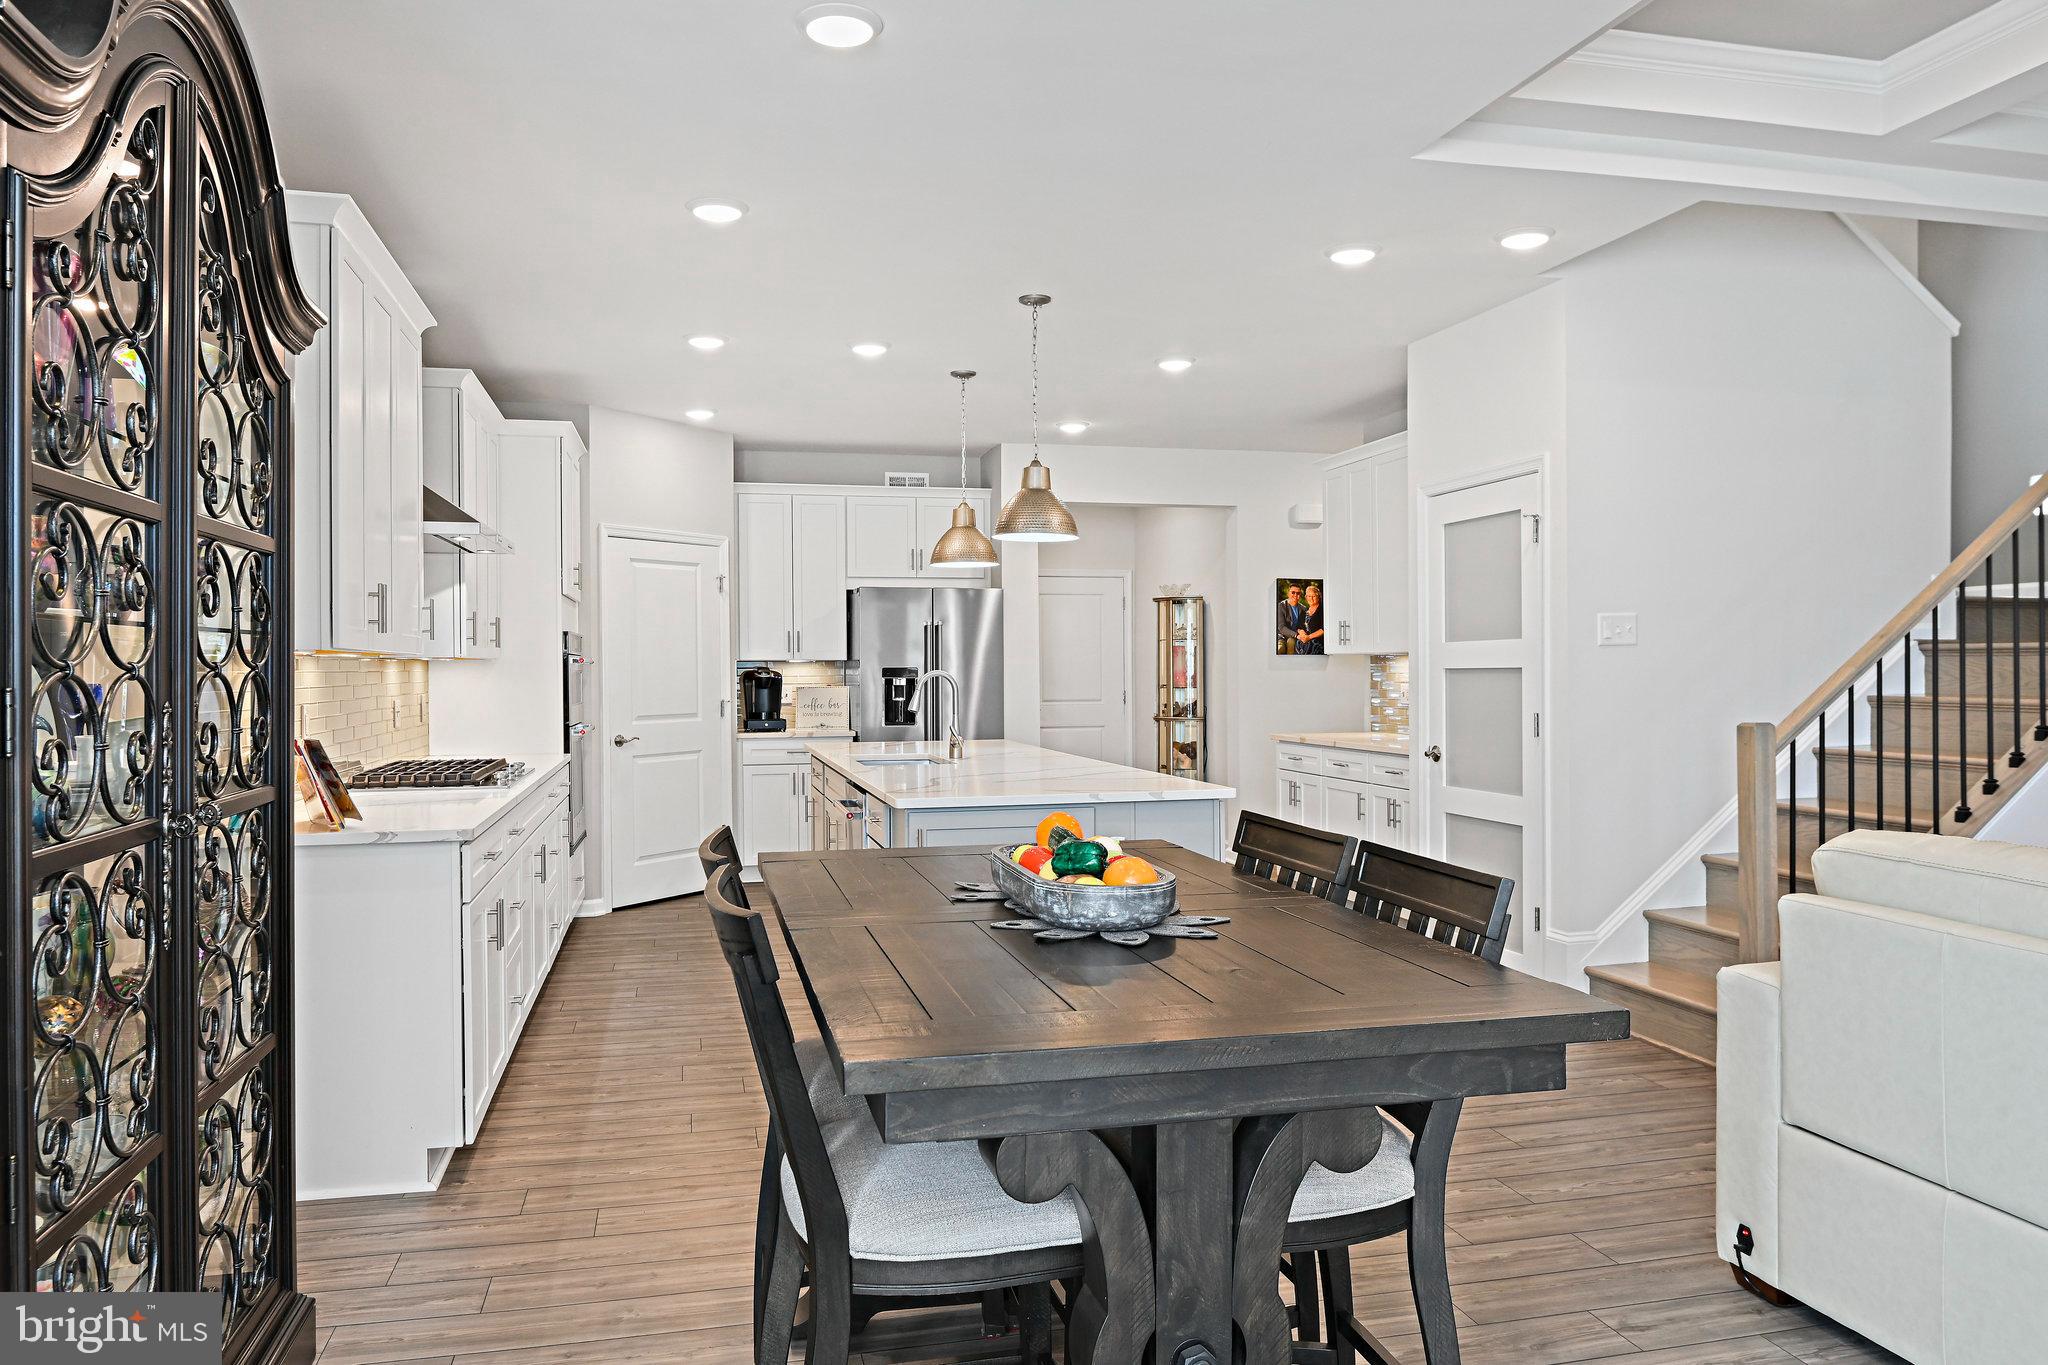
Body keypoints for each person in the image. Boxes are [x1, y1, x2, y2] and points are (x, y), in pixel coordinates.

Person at [1277, 582, 1305, 653]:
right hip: (1282, 636)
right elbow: (1281, 627)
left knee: (1291, 643)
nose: (1295, 595)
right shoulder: (1281, 606)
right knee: (1280, 648)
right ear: (1288, 594)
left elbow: (1302, 626)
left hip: (1294, 637)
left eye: (1298, 593)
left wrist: (1301, 631)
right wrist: (1296, 635)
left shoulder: (1303, 608)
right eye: (1293, 592)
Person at [1299, 582, 1326, 655]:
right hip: (1305, 642)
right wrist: (1302, 634)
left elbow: (1324, 629)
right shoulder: (1304, 610)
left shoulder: (1323, 610)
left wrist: (1309, 637)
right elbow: (1299, 626)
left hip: (1317, 643)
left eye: (1313, 596)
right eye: (1309, 596)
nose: (1311, 598)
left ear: (1318, 597)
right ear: (1306, 597)